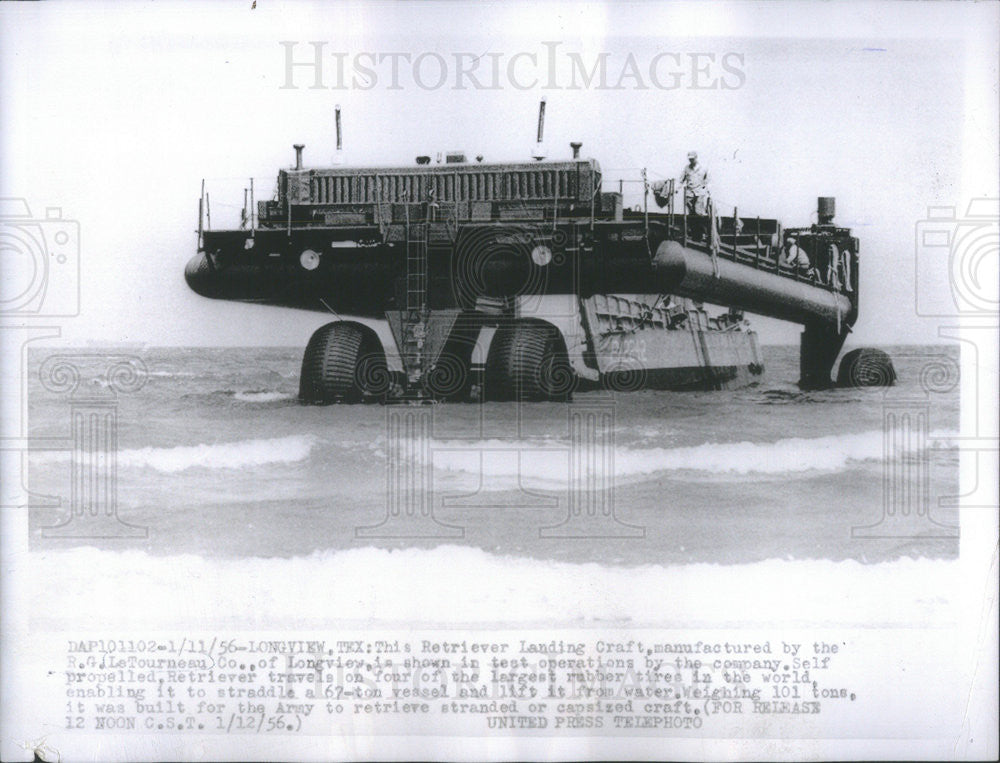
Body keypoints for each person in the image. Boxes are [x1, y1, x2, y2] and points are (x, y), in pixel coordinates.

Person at [680, 151, 710, 240]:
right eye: (690, 159)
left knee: (698, 213)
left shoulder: (703, 168)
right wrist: (677, 188)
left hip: (699, 193)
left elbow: (708, 180)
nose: (691, 161)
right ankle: (694, 235)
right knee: (691, 214)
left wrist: (706, 189)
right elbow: (681, 179)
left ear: (696, 158)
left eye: (693, 159)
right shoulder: (686, 168)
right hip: (689, 194)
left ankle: (701, 234)